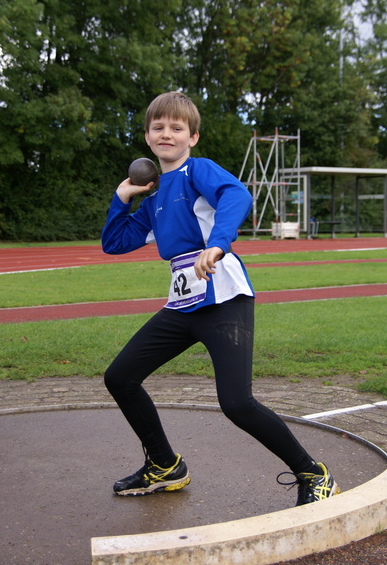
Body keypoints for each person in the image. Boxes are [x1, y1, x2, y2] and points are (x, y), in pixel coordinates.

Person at [102, 91, 340, 506]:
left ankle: (314, 474)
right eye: (158, 127)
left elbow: (237, 196)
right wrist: (122, 198)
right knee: (119, 376)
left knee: (236, 403)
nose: (167, 133)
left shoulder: (199, 171)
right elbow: (116, 242)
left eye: (177, 128)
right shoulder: (155, 196)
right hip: (183, 306)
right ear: (146, 136)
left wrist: (218, 242)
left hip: (225, 299)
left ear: (192, 137)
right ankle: (164, 464)